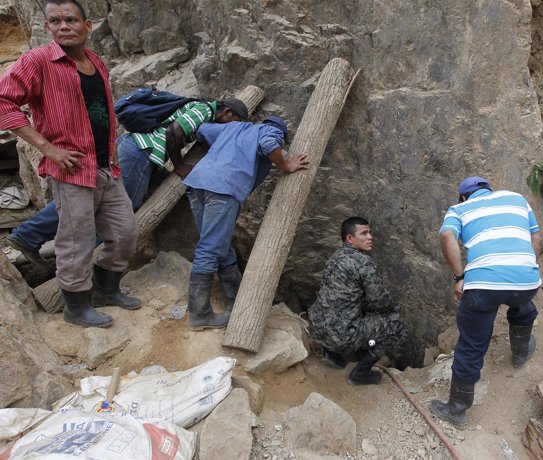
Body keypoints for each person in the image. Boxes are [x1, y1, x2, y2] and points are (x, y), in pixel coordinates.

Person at [0, 0, 139, 327]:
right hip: (71, 171)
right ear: (47, 27)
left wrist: (113, 145)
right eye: (55, 21)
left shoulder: (95, 61)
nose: (64, 26)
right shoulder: (38, 61)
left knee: (125, 233)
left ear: (87, 26)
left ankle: (106, 290)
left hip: (106, 167)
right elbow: (4, 101)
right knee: (75, 240)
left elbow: (101, 107)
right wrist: (48, 149)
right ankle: (76, 307)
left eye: (71, 20)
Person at [4, 94, 248, 267]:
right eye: (233, 122)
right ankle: (43, 240)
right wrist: (179, 164)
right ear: (227, 112)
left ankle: (36, 237)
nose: (230, 128)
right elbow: (175, 131)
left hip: (135, 149)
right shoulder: (204, 109)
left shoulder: (202, 113)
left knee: (96, 200)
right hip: (141, 151)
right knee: (117, 208)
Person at [431, 176, 542, 428]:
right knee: (522, 305)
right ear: (489, 190)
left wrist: (459, 277)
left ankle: (456, 410)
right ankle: (521, 353)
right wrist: (526, 267)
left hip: (483, 286)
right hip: (527, 280)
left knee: (472, 343)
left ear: (463, 197)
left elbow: (448, 238)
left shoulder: (459, 209)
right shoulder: (516, 198)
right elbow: (536, 238)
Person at [182, 115, 309, 330]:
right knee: (209, 249)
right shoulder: (270, 131)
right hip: (223, 187)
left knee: (217, 244)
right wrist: (286, 165)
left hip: (196, 183)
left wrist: (224, 149)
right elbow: (269, 144)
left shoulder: (233, 128)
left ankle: (234, 298)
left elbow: (202, 129)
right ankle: (199, 314)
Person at [308, 217, 407, 386]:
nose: (370, 237)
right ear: (350, 238)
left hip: (317, 327)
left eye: (369, 232)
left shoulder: (334, 257)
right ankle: (361, 373)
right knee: (396, 323)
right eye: (364, 233)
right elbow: (380, 301)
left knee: (354, 309)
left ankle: (332, 355)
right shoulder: (363, 263)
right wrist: (393, 308)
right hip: (341, 335)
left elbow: (343, 297)